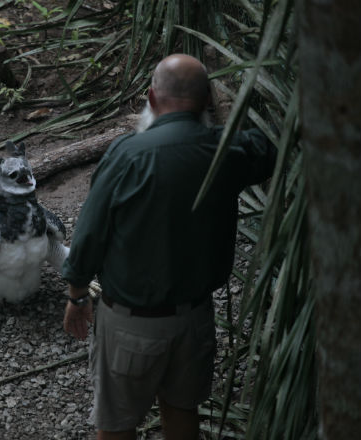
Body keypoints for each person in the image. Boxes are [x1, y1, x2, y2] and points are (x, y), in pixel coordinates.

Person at [61, 54, 277, 440]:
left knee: (116, 423)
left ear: (151, 97)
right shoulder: (229, 152)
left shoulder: (128, 153)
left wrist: (77, 295)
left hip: (131, 324)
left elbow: (89, 234)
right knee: (181, 410)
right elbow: (267, 148)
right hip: (194, 320)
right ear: (206, 99)